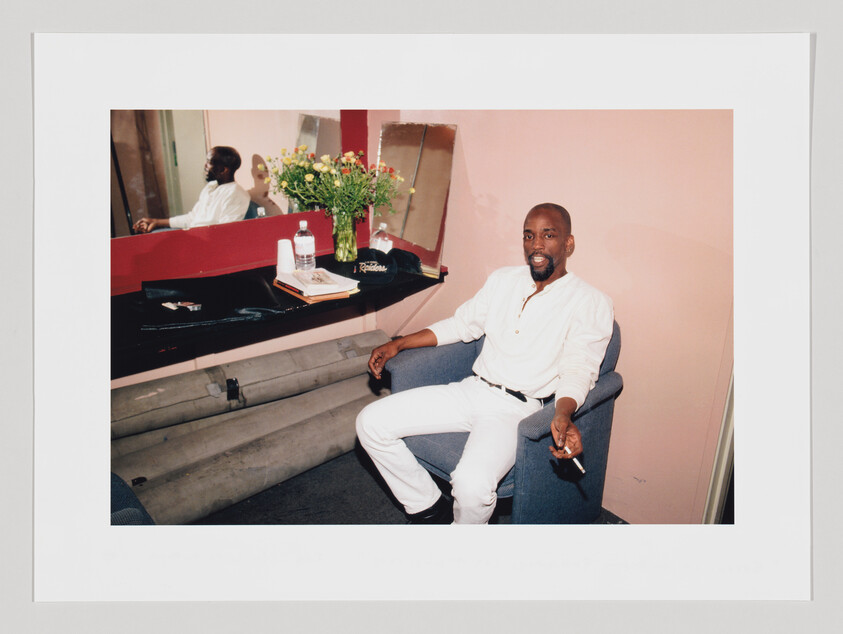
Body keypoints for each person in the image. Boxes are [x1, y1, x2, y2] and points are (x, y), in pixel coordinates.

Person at [356, 203, 614, 524]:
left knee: (471, 484)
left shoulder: (590, 301)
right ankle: (428, 508)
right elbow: (461, 325)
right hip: (472, 390)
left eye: (549, 235)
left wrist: (563, 413)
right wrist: (399, 342)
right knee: (370, 422)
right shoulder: (502, 280)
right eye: (529, 235)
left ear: (568, 243)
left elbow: (580, 368)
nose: (536, 244)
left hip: (516, 410)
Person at [133, 146, 250, 233]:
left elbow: (224, 233)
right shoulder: (211, 188)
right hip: (192, 237)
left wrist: (185, 237)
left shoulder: (236, 194)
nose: (205, 166)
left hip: (202, 245)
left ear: (224, 170)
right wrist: (156, 222)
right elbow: (193, 218)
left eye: (209, 162)